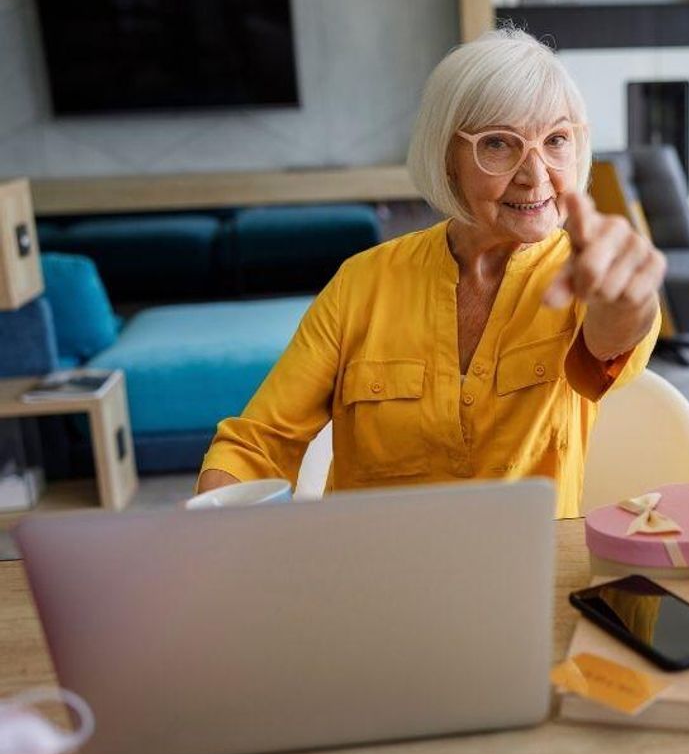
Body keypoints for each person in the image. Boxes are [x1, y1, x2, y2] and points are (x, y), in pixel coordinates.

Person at [197, 28, 665, 517]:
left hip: (524, 575)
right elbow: (256, 446)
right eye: (499, 144)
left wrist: (629, 297)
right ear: (447, 158)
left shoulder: (582, 275)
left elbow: (614, 336)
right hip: (378, 576)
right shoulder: (362, 283)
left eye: (556, 140)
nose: (536, 174)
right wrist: (218, 531)